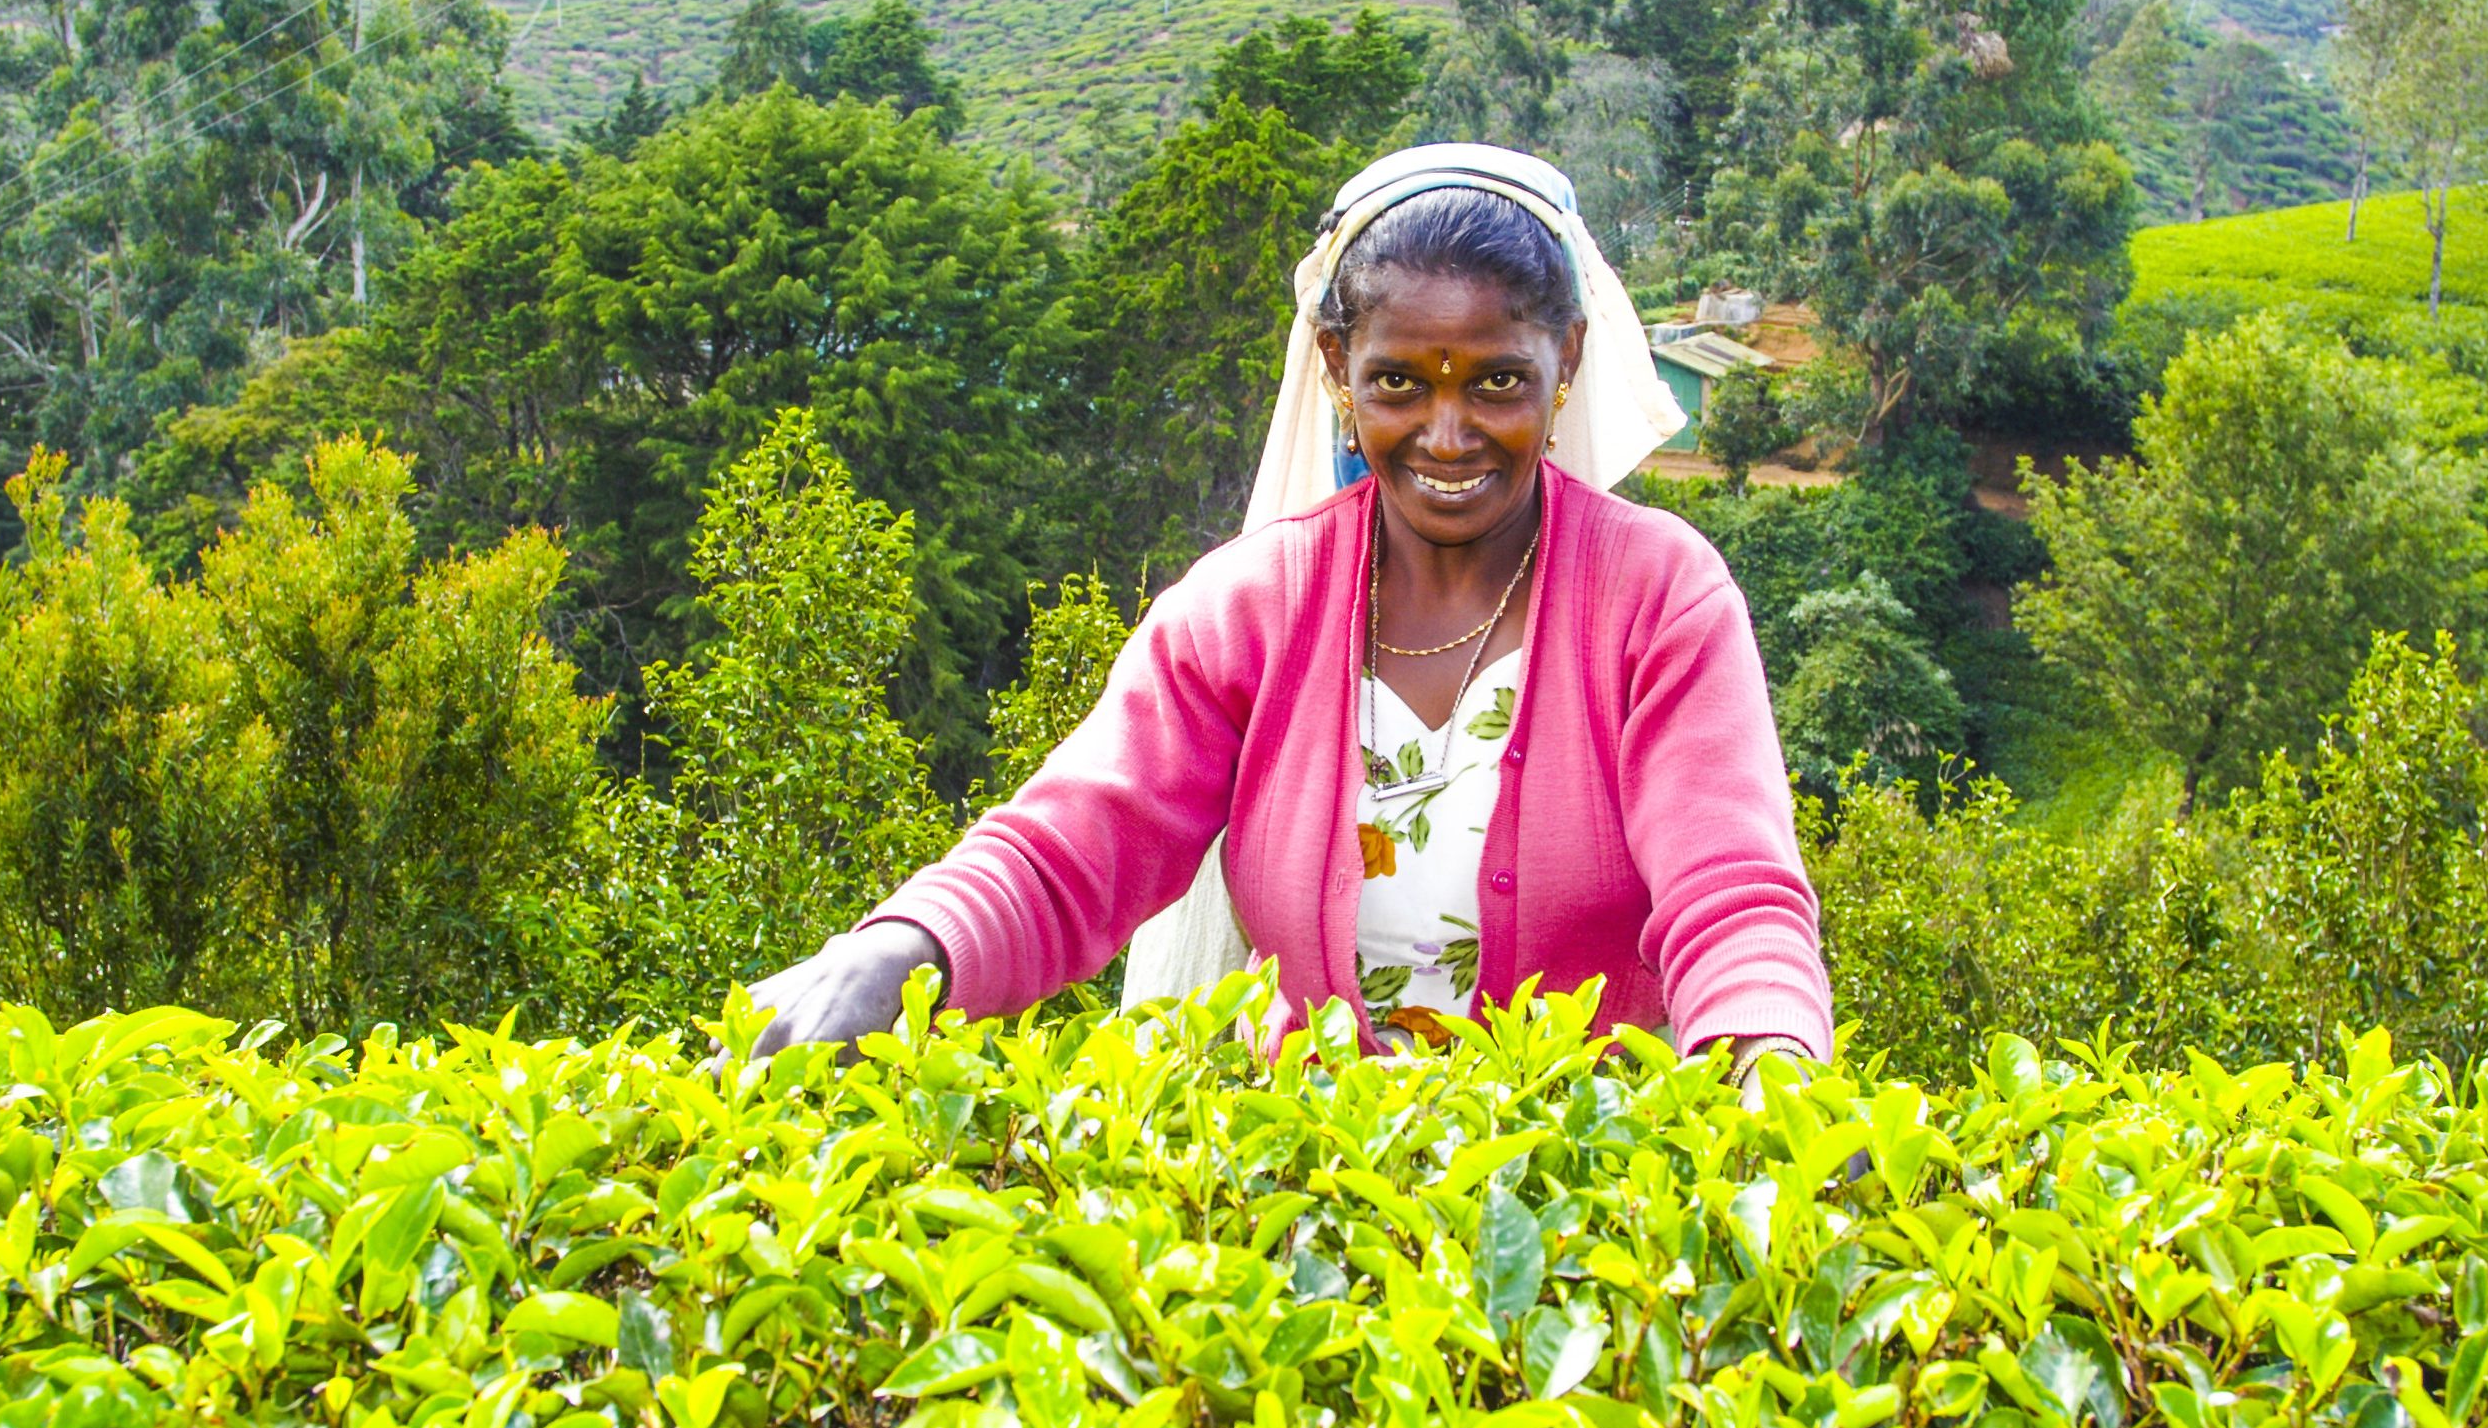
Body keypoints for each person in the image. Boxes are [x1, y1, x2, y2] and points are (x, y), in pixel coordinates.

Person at [747, 144, 1830, 1086]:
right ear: (1335, 372)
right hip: (1311, 1204)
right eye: (1399, 382)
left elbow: (1730, 890)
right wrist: (901, 949)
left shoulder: (1655, 597)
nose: (1446, 434)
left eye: (1497, 382)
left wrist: (1768, 1058)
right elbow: (1069, 850)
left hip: (1589, 1207)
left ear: (1567, 367)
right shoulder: (1248, 612)